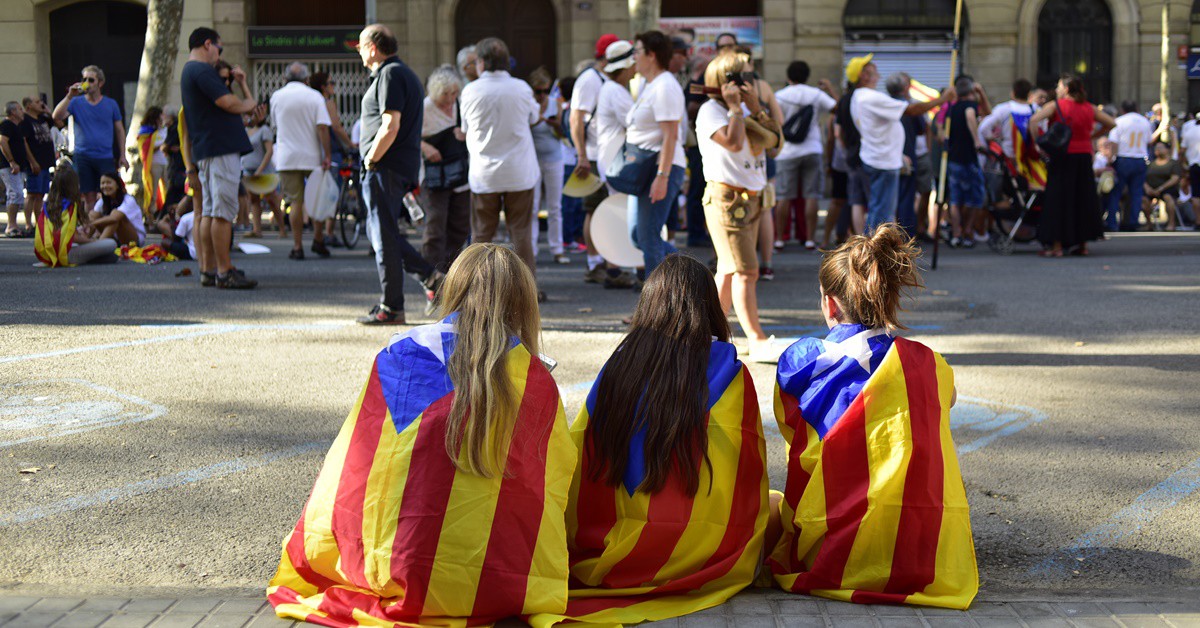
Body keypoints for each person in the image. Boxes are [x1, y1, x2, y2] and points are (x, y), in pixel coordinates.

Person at [268, 243, 573, 626]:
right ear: (523, 302)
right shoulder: (534, 377)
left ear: (455, 288)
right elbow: (554, 482)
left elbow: (352, 467)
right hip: (499, 585)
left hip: (392, 569)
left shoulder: (401, 351)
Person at [528, 254, 768, 627]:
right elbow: (746, 465)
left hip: (608, 544)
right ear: (709, 307)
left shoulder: (621, 362)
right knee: (774, 507)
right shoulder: (728, 367)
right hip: (697, 547)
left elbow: (579, 445)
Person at [767, 223, 978, 610]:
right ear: (890, 298)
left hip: (829, 552)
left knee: (768, 506)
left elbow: (791, 430)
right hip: (917, 554)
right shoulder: (929, 364)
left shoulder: (800, 361)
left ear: (829, 304)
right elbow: (945, 404)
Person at [356, 24, 444, 325]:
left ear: (372, 47)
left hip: (384, 166)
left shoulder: (390, 74)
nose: (359, 52)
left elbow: (390, 125)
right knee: (383, 233)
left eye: (359, 46)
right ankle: (431, 278)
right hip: (395, 166)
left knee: (382, 236)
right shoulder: (401, 73)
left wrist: (371, 158)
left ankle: (392, 306)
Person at [696, 50, 779, 363]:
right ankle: (756, 339)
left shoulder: (745, 107)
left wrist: (756, 109)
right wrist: (735, 109)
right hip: (727, 200)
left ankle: (708, 334)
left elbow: (775, 142)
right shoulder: (710, 111)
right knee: (747, 272)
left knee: (729, 271)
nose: (751, 82)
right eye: (745, 76)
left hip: (751, 198)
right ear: (726, 81)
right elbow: (732, 142)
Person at [460, 37, 543, 298]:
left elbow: (464, 129)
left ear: (481, 62)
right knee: (521, 234)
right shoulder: (521, 88)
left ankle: (477, 290)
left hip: (484, 173)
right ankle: (526, 292)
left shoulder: (470, 90)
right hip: (519, 171)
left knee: (482, 235)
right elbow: (534, 118)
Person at [180, 27, 258, 289]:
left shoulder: (191, 71)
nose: (218, 54)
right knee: (222, 213)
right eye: (219, 48)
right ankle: (224, 271)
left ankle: (209, 268)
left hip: (209, 149)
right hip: (220, 148)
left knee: (211, 212)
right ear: (207, 44)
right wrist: (249, 100)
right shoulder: (201, 70)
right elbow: (229, 103)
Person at [848, 56, 954, 233]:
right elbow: (911, 110)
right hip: (883, 161)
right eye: (872, 69)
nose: (877, 72)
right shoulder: (869, 97)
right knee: (882, 213)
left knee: (881, 210)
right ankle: (875, 251)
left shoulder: (859, 97)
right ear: (864, 75)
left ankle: (875, 248)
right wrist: (943, 99)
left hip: (881, 158)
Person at [1029, 74, 1115, 257]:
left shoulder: (1056, 105)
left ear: (1066, 89)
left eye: (1059, 86)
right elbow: (1111, 123)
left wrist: (1039, 142)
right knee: (1083, 199)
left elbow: (1034, 120)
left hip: (1062, 155)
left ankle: (1057, 246)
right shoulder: (1089, 107)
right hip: (1084, 155)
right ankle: (1082, 245)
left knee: (1058, 199)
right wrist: (1092, 136)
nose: (1057, 89)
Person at [625, 30, 686, 278]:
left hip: (660, 169)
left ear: (651, 55)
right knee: (638, 234)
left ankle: (656, 309)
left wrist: (662, 176)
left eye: (636, 52)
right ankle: (689, 274)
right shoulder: (650, 85)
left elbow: (670, 135)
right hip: (645, 170)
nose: (634, 58)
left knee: (648, 236)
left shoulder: (665, 86)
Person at [572, 34, 621, 285]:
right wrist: (581, 154)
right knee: (594, 210)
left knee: (603, 209)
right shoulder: (590, 79)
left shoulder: (603, 78)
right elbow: (576, 118)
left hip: (602, 153)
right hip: (591, 156)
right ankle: (594, 263)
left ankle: (605, 261)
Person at [270, 62, 332, 260]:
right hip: (312, 156)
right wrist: (327, 154)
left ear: (285, 78)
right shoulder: (314, 96)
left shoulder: (277, 97)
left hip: (287, 157)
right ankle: (318, 239)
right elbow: (322, 128)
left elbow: (275, 126)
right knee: (317, 200)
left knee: (295, 202)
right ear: (306, 79)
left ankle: (297, 246)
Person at [774, 60, 838, 251]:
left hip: (787, 151)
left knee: (784, 195)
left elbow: (774, 120)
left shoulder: (780, 96)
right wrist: (829, 89)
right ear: (807, 76)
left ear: (788, 77)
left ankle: (779, 239)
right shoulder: (816, 94)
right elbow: (837, 109)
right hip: (812, 148)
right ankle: (810, 239)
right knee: (812, 195)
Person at [51, 65, 128, 209]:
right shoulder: (75, 102)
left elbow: (119, 130)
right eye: (84, 79)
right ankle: (90, 228)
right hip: (83, 156)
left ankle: (106, 227)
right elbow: (56, 116)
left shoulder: (111, 104)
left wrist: (123, 155)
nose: (86, 82)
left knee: (110, 194)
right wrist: (69, 96)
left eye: (91, 80)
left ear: (100, 83)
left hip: (105, 156)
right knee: (88, 195)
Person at [419, 64, 471, 274]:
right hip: (434, 176)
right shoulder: (425, 107)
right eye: (445, 94)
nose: (450, 99)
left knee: (460, 227)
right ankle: (432, 275)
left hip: (460, 176)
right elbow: (408, 136)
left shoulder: (460, 104)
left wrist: (465, 135)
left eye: (454, 93)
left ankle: (453, 274)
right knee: (435, 226)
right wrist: (426, 146)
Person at [34, 162, 118, 267]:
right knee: (111, 244)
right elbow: (74, 238)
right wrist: (91, 241)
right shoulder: (69, 205)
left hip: (46, 254)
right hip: (64, 254)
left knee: (109, 255)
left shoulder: (47, 205)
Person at [529, 67, 568, 265]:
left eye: (545, 90)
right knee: (533, 205)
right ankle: (532, 250)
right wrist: (536, 121)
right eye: (538, 91)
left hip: (554, 157)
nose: (542, 95)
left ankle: (557, 248)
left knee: (555, 206)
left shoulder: (555, 104)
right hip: (533, 159)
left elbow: (563, 132)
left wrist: (554, 123)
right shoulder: (528, 104)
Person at [945, 75, 987, 248]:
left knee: (955, 199)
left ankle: (956, 233)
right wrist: (977, 140)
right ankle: (968, 231)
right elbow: (973, 115)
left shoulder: (951, 109)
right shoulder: (970, 106)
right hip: (969, 158)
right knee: (974, 198)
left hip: (953, 158)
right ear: (970, 90)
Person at [887, 73, 928, 239]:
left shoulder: (884, 105)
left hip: (888, 158)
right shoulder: (910, 108)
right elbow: (921, 129)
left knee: (889, 198)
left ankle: (888, 235)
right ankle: (905, 236)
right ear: (905, 88)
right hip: (908, 157)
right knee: (906, 198)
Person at [1106, 100, 1154, 232]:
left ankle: (1111, 223)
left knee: (1116, 192)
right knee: (1136, 193)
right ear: (1137, 108)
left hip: (1123, 158)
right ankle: (1132, 222)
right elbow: (1149, 141)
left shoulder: (1119, 121)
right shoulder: (1145, 122)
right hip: (1140, 159)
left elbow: (1114, 142)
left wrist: (1110, 158)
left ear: (1122, 109)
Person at [241, 103, 285, 238]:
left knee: (271, 199)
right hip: (248, 170)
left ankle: (282, 229)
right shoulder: (246, 130)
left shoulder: (264, 130)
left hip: (263, 171)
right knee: (253, 200)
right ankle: (257, 229)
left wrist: (260, 170)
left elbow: (269, 151)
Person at [20, 96, 57, 236]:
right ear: (28, 105)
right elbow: (24, 142)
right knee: (32, 193)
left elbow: (57, 121)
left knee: (41, 194)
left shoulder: (43, 119)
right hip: (35, 162)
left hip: (46, 161)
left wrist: (46, 110)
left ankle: (38, 223)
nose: (40, 104)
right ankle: (28, 224)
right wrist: (32, 161)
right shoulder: (25, 120)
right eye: (37, 102)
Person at [88, 172, 146, 247]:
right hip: (115, 237)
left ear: (117, 185)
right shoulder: (103, 201)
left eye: (109, 183)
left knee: (115, 217)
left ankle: (99, 246)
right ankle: (87, 240)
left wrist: (92, 223)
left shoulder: (128, 200)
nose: (105, 186)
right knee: (93, 214)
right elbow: (92, 217)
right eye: (102, 183)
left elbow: (114, 218)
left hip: (133, 240)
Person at [1, 101, 30, 237]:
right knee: (15, 193)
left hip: (18, 166)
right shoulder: (7, 125)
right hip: (10, 167)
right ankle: (10, 226)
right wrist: (12, 162)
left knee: (17, 194)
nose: (22, 111)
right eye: (19, 109)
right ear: (12, 112)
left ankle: (14, 226)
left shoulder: (17, 126)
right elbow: (2, 141)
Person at [1142, 141, 1184, 230]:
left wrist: (1161, 188)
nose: (1157, 149)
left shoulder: (1173, 163)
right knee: (1143, 199)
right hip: (1151, 189)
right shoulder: (1151, 164)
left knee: (1168, 197)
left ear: (1167, 150)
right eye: (1156, 148)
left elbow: (1175, 179)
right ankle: (1149, 224)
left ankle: (1171, 223)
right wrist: (1148, 188)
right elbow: (1143, 178)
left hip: (1167, 189)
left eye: (1160, 147)